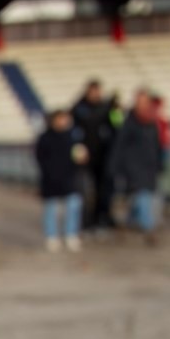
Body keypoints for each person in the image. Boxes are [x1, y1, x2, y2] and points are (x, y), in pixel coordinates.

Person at [110, 89, 166, 244]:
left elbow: (157, 146)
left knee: (137, 198)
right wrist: (116, 167)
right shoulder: (128, 122)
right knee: (143, 197)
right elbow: (119, 146)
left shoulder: (152, 122)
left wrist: (159, 164)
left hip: (149, 167)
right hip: (133, 168)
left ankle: (127, 222)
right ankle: (149, 227)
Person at [35, 109, 85, 252]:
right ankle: (52, 236)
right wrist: (49, 172)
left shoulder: (73, 137)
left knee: (73, 206)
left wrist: (81, 161)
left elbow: (79, 155)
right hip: (51, 179)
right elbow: (40, 158)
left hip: (70, 178)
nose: (65, 122)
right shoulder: (45, 138)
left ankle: (71, 234)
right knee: (51, 209)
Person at [71, 79, 117, 233]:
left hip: (103, 157)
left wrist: (115, 110)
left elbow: (117, 125)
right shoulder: (78, 109)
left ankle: (102, 218)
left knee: (104, 190)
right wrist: (77, 151)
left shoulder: (108, 108)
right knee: (84, 191)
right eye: (93, 91)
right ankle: (86, 221)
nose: (96, 94)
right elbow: (73, 133)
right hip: (85, 159)